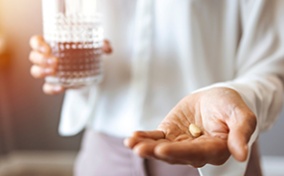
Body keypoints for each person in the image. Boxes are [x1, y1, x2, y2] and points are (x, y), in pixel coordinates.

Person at [29, 0, 284, 175]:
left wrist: (239, 98)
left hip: (208, 153)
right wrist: (63, 68)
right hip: (103, 154)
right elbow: (72, 30)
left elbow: (271, 64)